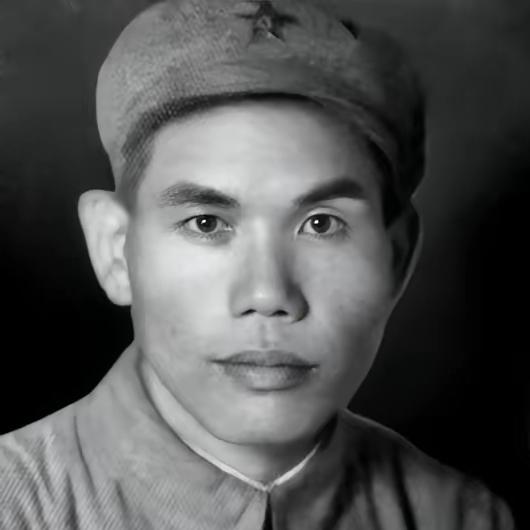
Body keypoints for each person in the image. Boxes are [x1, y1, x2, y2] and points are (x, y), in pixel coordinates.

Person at [0, 0, 515, 528]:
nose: (268, 294)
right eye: (206, 223)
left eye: (321, 224)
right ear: (115, 249)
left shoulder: (464, 517)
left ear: (397, 258)